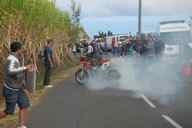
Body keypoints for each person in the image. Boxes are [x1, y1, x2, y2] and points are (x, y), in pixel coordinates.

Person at [0, 41, 33, 128]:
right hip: (11, 89)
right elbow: (11, 71)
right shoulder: (11, 59)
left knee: (24, 104)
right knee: (9, 111)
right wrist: (25, 67)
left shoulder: (16, 57)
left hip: (18, 88)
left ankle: (21, 125)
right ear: (18, 49)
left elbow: (17, 72)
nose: (23, 49)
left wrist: (25, 70)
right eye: (22, 48)